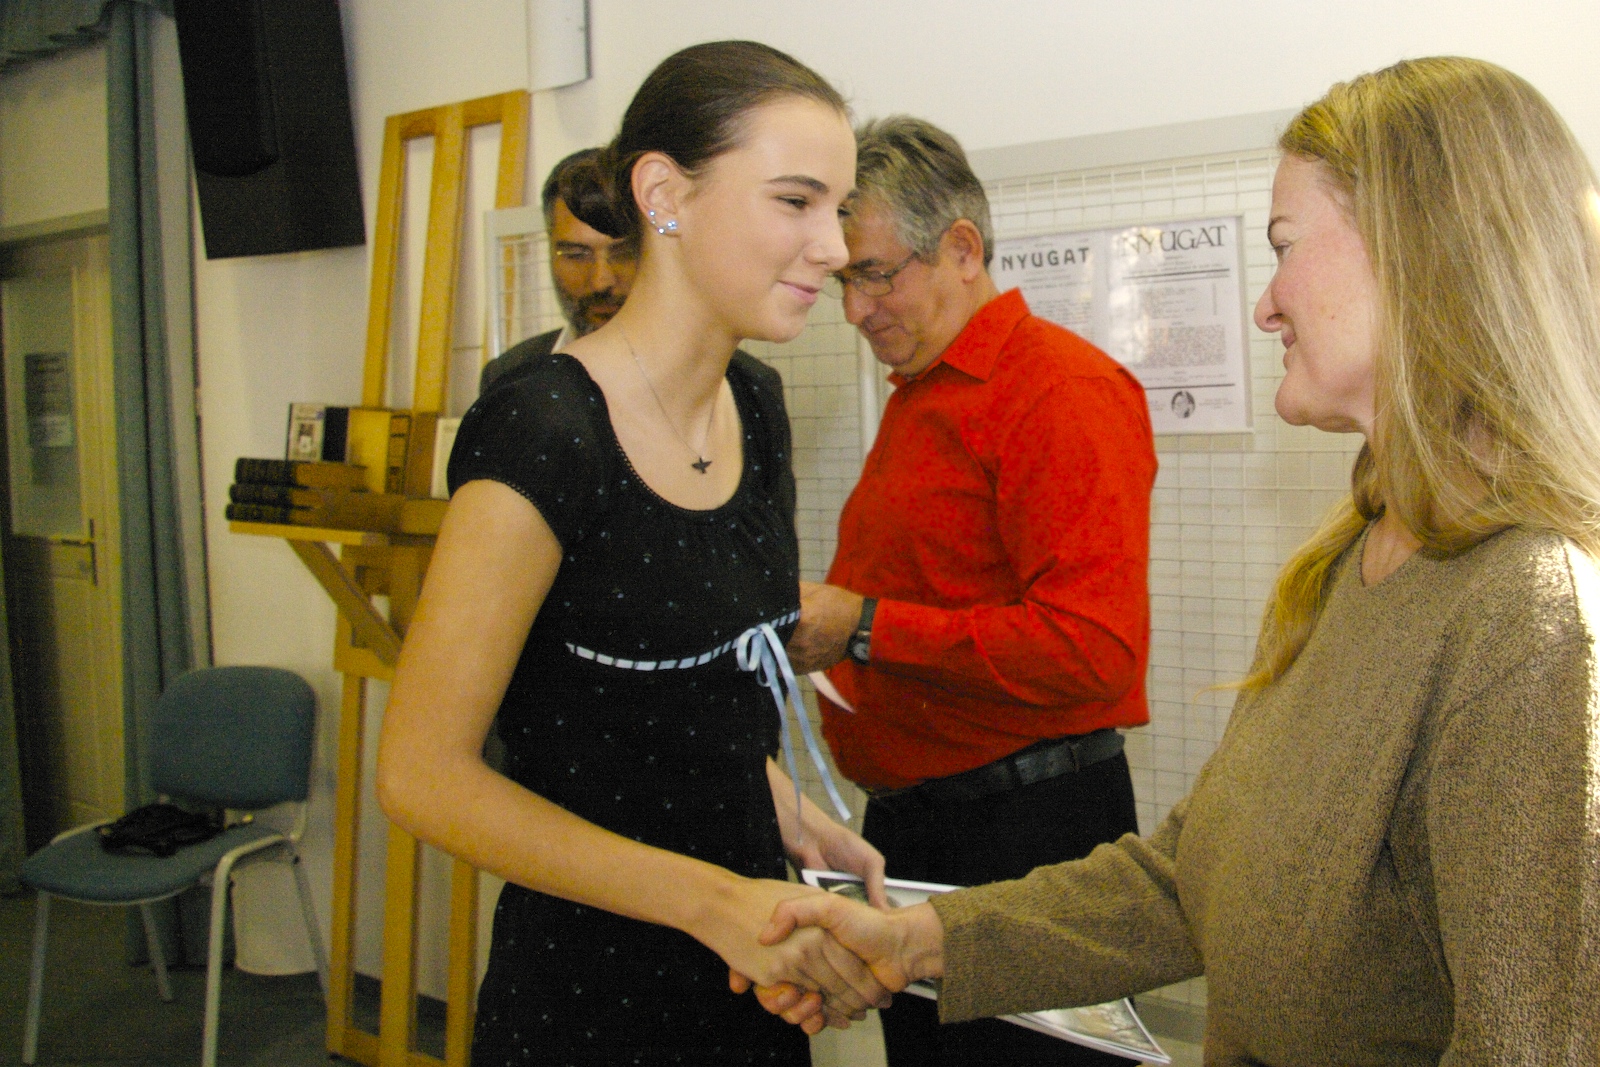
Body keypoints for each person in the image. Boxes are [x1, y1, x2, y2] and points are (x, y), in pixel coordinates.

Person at [759, 57, 1600, 1064]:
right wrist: (918, 940)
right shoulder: (1345, 562)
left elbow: (1531, 1036)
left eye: (1283, 247)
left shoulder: (1530, 616)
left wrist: (862, 625)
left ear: (1422, 255)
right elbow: (1189, 877)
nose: (1266, 305)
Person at [376, 41, 895, 1067]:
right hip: (590, 990)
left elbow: (676, 696)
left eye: (838, 209)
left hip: (751, 968)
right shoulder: (543, 430)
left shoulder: (756, 405)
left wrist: (783, 809)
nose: (834, 246)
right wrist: (710, 900)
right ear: (663, 194)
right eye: (796, 201)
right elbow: (421, 774)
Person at [782, 115, 1155, 1066]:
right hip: (925, 828)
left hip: (1027, 836)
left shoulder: (1058, 390)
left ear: (960, 249)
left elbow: (1093, 650)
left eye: (876, 274)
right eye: (843, 281)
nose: (856, 309)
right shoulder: (922, 391)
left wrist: (864, 626)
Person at [479, 147, 639, 394]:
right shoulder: (510, 376)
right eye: (576, 255)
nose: (601, 281)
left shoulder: (700, 368)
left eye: (623, 254)